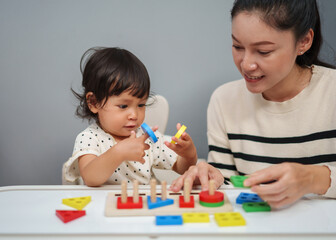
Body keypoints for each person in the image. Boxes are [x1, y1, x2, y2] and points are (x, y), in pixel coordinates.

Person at [170, 0, 336, 208]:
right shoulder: (224, 100)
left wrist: (312, 178)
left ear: (304, 41)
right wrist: (212, 176)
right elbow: (228, 188)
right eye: (238, 46)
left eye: (264, 51)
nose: (246, 64)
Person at [63, 47, 197, 187]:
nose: (134, 115)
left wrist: (189, 155)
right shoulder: (90, 138)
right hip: (106, 205)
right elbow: (90, 178)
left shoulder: (147, 137)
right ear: (93, 102)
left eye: (141, 105)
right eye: (123, 106)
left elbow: (182, 168)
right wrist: (118, 152)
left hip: (144, 205)